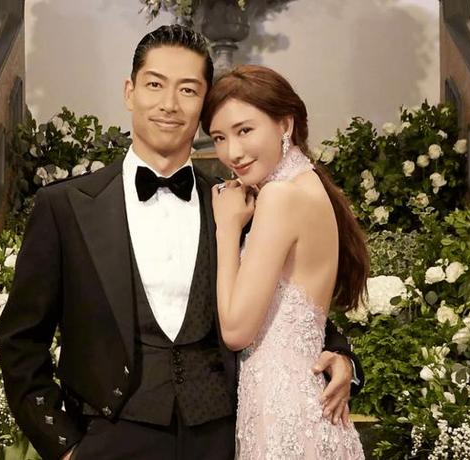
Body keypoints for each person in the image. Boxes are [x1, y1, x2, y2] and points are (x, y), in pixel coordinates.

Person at [0, 26, 363, 460]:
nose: (169, 104)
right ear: (130, 92)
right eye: (155, 85)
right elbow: (21, 340)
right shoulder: (65, 206)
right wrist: (65, 447)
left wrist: (342, 357)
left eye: (188, 90)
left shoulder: (239, 204)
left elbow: (287, 298)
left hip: (223, 441)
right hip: (108, 439)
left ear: (203, 104)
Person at [201, 64, 369, 459]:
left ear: (285, 124)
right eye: (220, 137)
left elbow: (236, 331)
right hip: (298, 407)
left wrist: (227, 228)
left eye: (245, 130)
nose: (232, 152)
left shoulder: (279, 197)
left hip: (285, 415)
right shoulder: (308, 187)